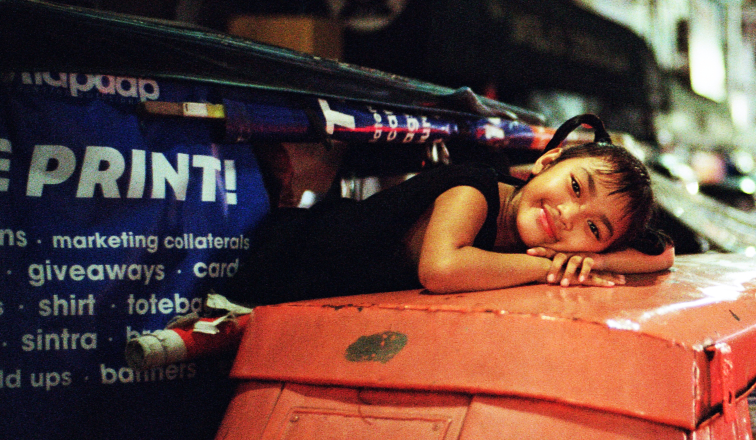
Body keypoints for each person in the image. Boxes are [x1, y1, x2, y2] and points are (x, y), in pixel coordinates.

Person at [219, 115, 674, 305]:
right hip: (282, 264)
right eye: (575, 186)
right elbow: (441, 268)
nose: (569, 215)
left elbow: (662, 251)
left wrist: (593, 260)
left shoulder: (550, 241)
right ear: (547, 162)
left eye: (594, 227)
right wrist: (552, 267)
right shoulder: (473, 190)